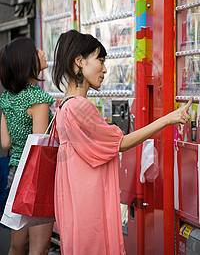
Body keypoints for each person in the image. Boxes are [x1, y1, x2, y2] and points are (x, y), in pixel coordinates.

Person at [52, 29, 192, 255]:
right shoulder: (80, 107)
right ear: (79, 61)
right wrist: (168, 118)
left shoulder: (64, 106)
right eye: (100, 60)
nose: (105, 69)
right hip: (88, 202)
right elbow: (121, 143)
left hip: (74, 202)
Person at [0, 37, 54, 255]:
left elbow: (5, 143)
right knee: (39, 248)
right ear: (26, 61)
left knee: (17, 245)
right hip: (36, 176)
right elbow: (39, 146)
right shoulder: (38, 98)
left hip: (15, 173)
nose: (42, 51)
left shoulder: (6, 98)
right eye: (36, 50)